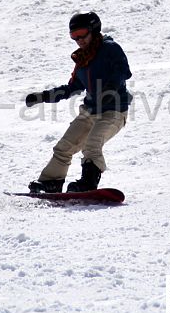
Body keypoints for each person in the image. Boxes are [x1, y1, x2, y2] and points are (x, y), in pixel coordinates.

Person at [25, 12, 132, 193]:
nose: (79, 40)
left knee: (92, 145)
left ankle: (88, 183)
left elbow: (123, 71)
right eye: (74, 36)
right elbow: (72, 88)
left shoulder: (110, 48)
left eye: (82, 34)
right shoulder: (83, 59)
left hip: (113, 111)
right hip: (90, 111)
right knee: (64, 147)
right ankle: (51, 182)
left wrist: (110, 89)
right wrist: (43, 96)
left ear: (94, 30)